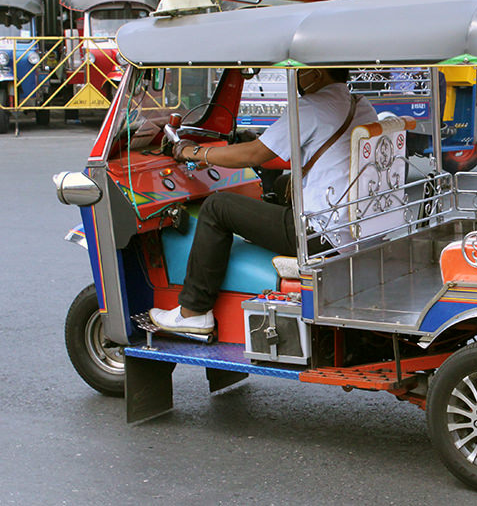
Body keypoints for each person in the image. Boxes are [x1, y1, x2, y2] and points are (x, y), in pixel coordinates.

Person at [149, 68, 377, 334]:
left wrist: (195, 152)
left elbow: (255, 154)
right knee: (280, 185)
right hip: (355, 228)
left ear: (317, 73)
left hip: (321, 237)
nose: (297, 76)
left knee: (216, 207)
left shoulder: (312, 107)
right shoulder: (360, 104)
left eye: (300, 70)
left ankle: (193, 312)